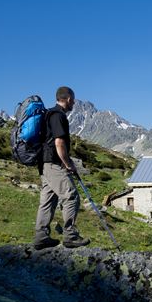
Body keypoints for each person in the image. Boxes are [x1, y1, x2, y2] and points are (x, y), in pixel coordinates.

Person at [33, 86, 90, 249]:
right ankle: (70, 236)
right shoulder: (58, 116)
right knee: (71, 195)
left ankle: (41, 237)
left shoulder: (48, 114)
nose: (74, 103)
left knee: (48, 200)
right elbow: (59, 142)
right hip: (53, 164)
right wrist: (68, 164)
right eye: (73, 100)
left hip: (44, 164)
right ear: (69, 99)